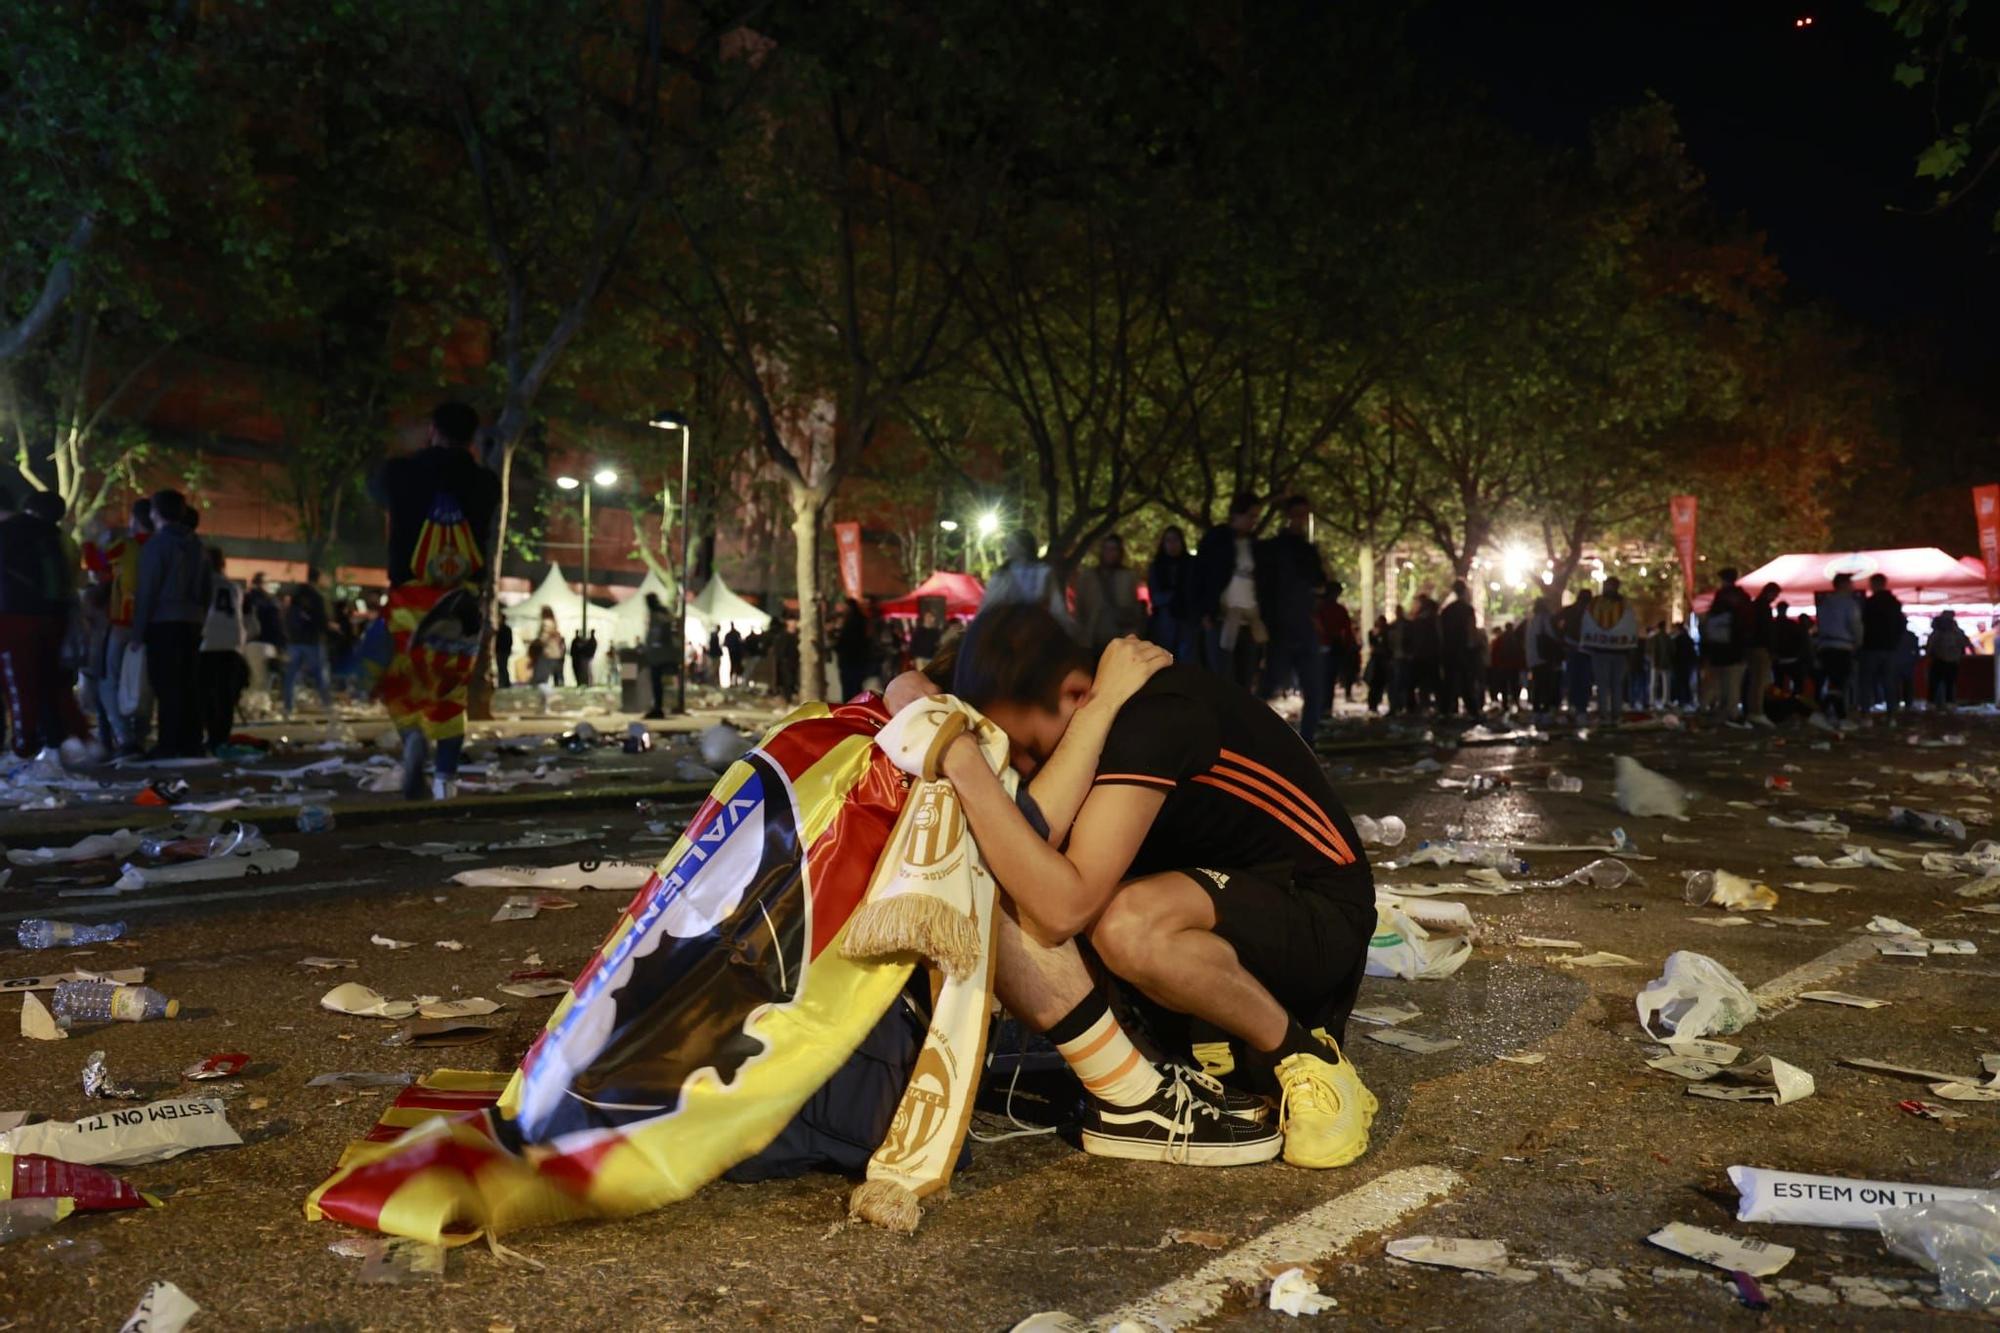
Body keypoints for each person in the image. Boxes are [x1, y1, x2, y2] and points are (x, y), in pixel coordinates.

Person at [934, 604, 1377, 1169]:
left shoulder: (1152, 716)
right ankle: (1164, 1062)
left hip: (1316, 918)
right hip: (1216, 907)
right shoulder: (1101, 706)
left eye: (1029, 752)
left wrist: (969, 766)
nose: (1028, 774)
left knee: (1125, 924)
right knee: (1019, 872)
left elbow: (1060, 909)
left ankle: (1310, 1058)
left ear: (1077, 694)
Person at [368, 400, 502, 800]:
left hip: (410, 597)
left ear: (432, 430)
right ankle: (446, 779)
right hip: (461, 601)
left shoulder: (399, 473)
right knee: (449, 687)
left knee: (398, 679)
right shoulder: (485, 482)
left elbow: (376, 490)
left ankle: (412, 735)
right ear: (472, 437)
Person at [130, 489, 212, 758]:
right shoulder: (198, 546)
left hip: (164, 622)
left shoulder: (157, 545)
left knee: (165, 685)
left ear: (155, 512)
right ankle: (191, 742)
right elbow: (206, 589)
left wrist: (138, 631)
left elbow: (148, 590)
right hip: (192, 621)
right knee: (188, 683)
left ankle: (169, 743)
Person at [0, 484, 77, 756]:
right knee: (48, 684)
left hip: (11, 616)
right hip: (53, 619)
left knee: (18, 685)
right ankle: (56, 743)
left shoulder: (9, 533)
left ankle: (25, 747)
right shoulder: (56, 535)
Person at [90, 497, 153, 756]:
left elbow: (98, 563)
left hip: (123, 622)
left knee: (109, 682)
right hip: (154, 625)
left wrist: (89, 541)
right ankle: (141, 735)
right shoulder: (161, 547)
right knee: (144, 683)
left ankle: (124, 737)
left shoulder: (127, 546)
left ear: (135, 520)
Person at [1193, 493, 1262, 686]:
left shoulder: (1253, 544)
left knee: (1245, 676)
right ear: (1237, 515)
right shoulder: (1216, 539)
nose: (1253, 521)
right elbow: (1201, 576)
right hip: (1221, 618)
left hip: (1248, 620)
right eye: (1250, 516)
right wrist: (1205, 612)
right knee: (1222, 678)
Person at [196, 547, 248, 751]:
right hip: (232, 643)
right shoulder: (233, 587)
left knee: (206, 694)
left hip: (208, 643)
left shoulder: (202, 584)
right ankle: (221, 737)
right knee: (225, 696)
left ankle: (211, 735)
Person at [1072, 533, 1144, 658]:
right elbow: (1079, 609)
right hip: (1093, 637)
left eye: (1113, 549)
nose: (1109, 553)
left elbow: (1134, 607)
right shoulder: (1087, 577)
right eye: (1106, 549)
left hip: (1120, 636)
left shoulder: (1129, 576)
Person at [1577, 576, 1637, 725]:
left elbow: (1587, 625)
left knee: (1604, 685)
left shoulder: (1595, 604)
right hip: (1617, 652)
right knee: (1614, 685)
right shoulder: (1624, 605)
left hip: (1601, 651)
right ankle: (1614, 714)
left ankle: (1606, 715)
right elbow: (1631, 628)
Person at [982, 529, 1069, 625]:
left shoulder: (1044, 572)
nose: (1007, 547)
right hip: (1006, 621)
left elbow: (1057, 605)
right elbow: (989, 603)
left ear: (1023, 547)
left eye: (1011, 543)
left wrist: (1067, 625)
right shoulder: (1001, 574)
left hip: (1038, 622)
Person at [1698, 569, 1752, 723]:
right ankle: (1731, 711)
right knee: (1733, 682)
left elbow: (1711, 623)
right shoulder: (1743, 598)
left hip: (1719, 648)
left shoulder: (1720, 598)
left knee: (1718, 680)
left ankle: (1715, 708)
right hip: (1736, 647)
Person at [1811, 572, 1862, 724]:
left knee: (1832, 681)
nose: (1853, 586)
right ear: (1843, 585)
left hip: (1825, 647)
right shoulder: (1849, 603)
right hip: (1842, 646)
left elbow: (1820, 624)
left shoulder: (1824, 603)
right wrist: (1858, 642)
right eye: (1850, 583)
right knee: (1838, 683)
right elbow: (1855, 625)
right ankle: (1833, 715)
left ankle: (1831, 714)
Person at [283, 570, 334, 718]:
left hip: (294, 641)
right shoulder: (318, 596)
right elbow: (322, 620)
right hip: (313, 641)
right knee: (320, 675)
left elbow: (288, 616)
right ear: (318, 579)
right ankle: (327, 706)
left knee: (291, 675)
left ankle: (288, 707)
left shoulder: (296, 595)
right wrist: (330, 629)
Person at [1145, 527, 1199, 662]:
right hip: (1164, 621)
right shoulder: (1157, 566)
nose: (1172, 545)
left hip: (1187, 619)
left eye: (1175, 540)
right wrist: (1171, 596)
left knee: (1186, 660)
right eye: (1168, 541)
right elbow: (1155, 596)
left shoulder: (1191, 564)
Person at [1857, 572, 1905, 718]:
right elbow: (1901, 624)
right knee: (1889, 680)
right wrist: (1895, 641)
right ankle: (1891, 711)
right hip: (1889, 647)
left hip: (1871, 646)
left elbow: (1861, 624)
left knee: (1867, 680)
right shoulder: (1894, 603)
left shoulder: (1869, 603)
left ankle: (1866, 710)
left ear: (1874, 585)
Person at [1437, 579, 1479, 719]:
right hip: (1463, 649)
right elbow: (1471, 630)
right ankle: (1472, 710)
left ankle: (1445, 710)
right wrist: (1473, 647)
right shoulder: (1467, 609)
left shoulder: (1447, 610)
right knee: (1466, 681)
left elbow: (1441, 632)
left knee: (1448, 682)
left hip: (1448, 649)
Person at [1317, 581, 1359, 706]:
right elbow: (1347, 630)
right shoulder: (1337, 610)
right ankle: (1325, 707)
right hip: (1331, 646)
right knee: (1329, 679)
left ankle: (1323, 707)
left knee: (1325, 679)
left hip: (1325, 647)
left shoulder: (1321, 608)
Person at [1559, 587, 1594, 718]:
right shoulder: (1589, 612)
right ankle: (1580, 707)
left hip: (1574, 649)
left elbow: (1555, 621)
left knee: (1575, 679)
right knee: (1582, 679)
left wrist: (1563, 638)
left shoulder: (1571, 610)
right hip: (1582, 650)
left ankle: (1575, 706)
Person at [641, 592, 677, 717]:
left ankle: (658, 707)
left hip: (656, 654)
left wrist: (646, 647)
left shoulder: (655, 615)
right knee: (659, 682)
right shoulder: (664, 613)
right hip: (665, 652)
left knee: (656, 682)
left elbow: (654, 634)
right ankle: (658, 705)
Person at [1926, 609, 1971, 709]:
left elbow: (1930, 647)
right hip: (1952, 660)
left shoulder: (1938, 632)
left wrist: (1929, 653)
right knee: (1949, 683)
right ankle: (1948, 702)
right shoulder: (1957, 632)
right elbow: (1966, 643)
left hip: (1940, 660)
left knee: (1936, 682)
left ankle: (1933, 702)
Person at [834, 597, 872, 700]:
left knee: (849, 688)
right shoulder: (862, 621)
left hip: (850, 660)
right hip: (858, 661)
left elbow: (846, 642)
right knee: (856, 688)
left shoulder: (850, 623)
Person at [1645, 621, 1672, 709]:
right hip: (1666, 663)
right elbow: (1672, 650)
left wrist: (1651, 659)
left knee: (1653, 683)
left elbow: (1648, 650)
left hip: (1655, 663)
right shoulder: (1668, 638)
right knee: (1666, 683)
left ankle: (1652, 701)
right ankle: (1665, 701)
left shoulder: (1654, 638)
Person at [494, 614, 514, 689]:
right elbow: (510, 641)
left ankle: (504, 683)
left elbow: (507, 641)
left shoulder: (501, 629)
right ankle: (505, 683)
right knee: (503, 667)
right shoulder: (506, 629)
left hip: (502, 651)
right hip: (504, 651)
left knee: (502, 667)